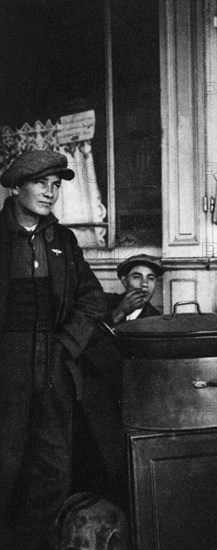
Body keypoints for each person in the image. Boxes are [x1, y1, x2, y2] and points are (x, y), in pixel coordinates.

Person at [0, 150, 106, 550]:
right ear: (16, 186)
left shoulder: (63, 240)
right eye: (41, 183)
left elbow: (92, 298)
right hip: (5, 364)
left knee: (53, 467)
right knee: (6, 462)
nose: (51, 192)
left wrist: (66, 344)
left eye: (56, 185)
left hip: (53, 363)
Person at [77, 255, 164, 506]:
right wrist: (118, 313)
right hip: (91, 392)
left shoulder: (156, 320)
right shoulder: (102, 304)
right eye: (137, 277)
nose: (144, 285)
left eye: (151, 279)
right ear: (123, 280)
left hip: (129, 399)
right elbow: (82, 342)